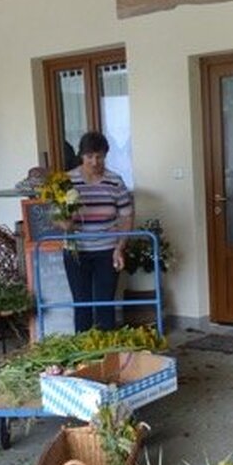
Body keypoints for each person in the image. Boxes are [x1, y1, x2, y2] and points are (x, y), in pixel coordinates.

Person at [61, 130, 134, 331]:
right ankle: (83, 347)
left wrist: (120, 247)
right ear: (81, 156)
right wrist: (64, 223)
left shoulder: (115, 181)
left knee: (105, 303)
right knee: (81, 304)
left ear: (105, 156)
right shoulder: (66, 182)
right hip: (76, 251)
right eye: (89, 156)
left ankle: (106, 348)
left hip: (107, 250)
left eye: (99, 156)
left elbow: (127, 216)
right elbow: (55, 216)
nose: (95, 162)